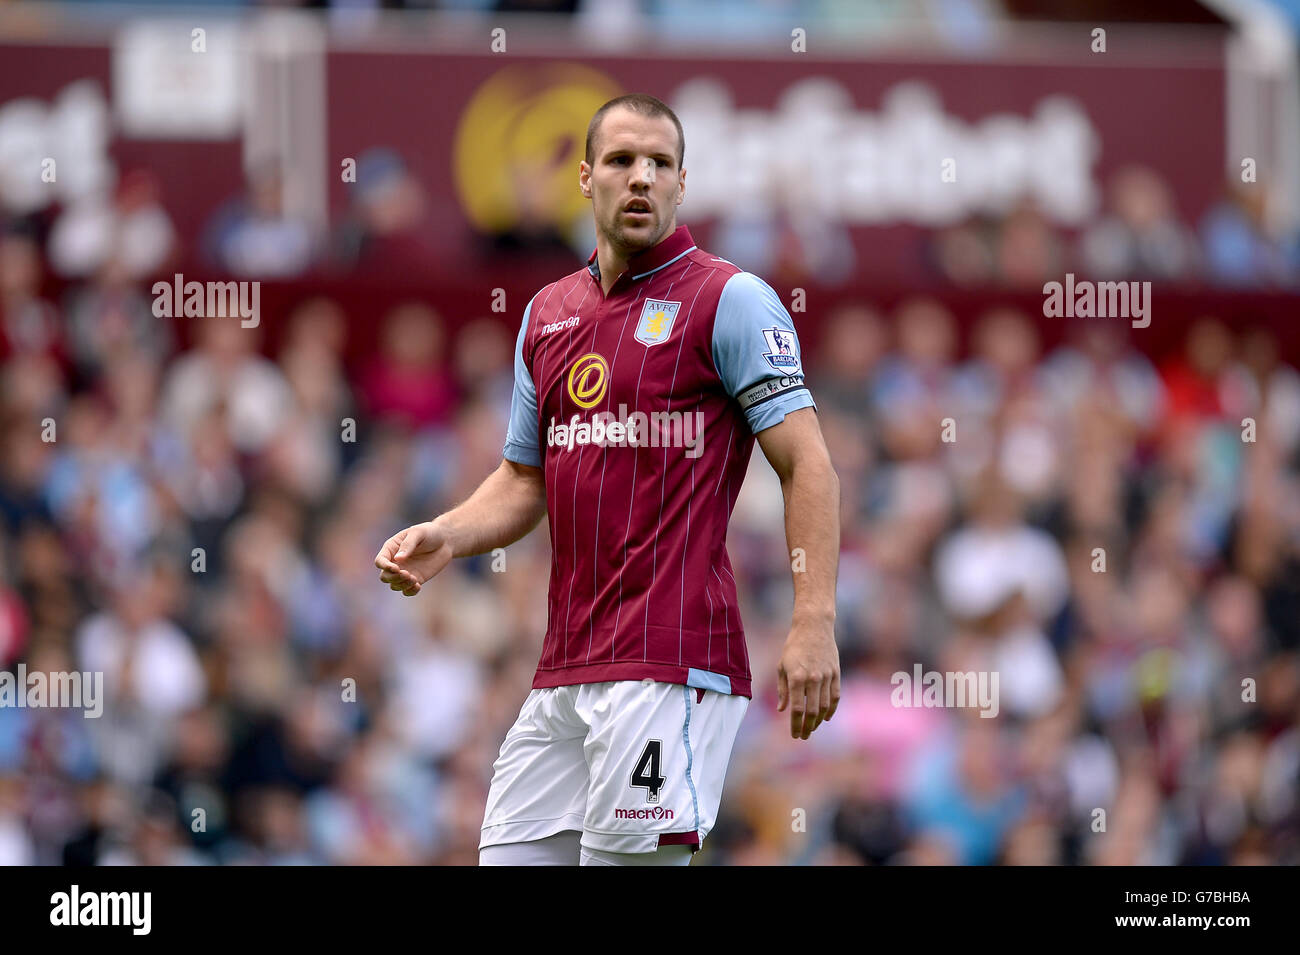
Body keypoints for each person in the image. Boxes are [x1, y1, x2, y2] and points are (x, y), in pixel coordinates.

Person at [374, 93, 841, 866]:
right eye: (623, 160)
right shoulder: (546, 314)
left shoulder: (729, 299)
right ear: (586, 177)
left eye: (660, 164)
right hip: (564, 670)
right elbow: (524, 478)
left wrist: (813, 618)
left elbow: (809, 463)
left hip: (671, 662)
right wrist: (448, 534)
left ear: (682, 185)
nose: (641, 178)